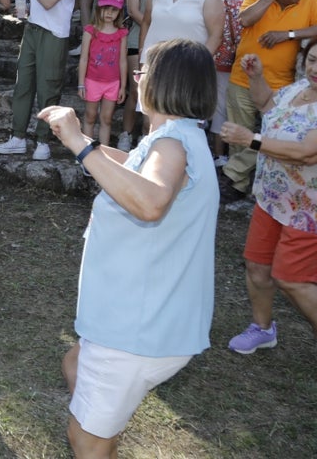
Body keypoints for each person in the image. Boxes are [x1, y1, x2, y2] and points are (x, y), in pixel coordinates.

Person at [40, 39, 217, 459]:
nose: (135, 80)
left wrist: (79, 146)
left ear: (159, 82)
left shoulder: (171, 144)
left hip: (135, 328)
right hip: (144, 318)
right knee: (75, 366)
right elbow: (135, 167)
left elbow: (151, 201)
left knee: (86, 441)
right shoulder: (180, 137)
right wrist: (85, 139)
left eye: (141, 73)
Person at [220, 45, 317, 353]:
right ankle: (262, 328)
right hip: (272, 198)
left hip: (307, 208)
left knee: (292, 279)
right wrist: (257, 78)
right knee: (257, 265)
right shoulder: (300, 88)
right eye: (313, 61)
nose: (315, 69)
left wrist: (251, 140)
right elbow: (268, 106)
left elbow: (306, 153)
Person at [222, 0, 317, 200]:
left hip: (281, 86)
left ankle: (233, 173)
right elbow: (245, 20)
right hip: (242, 79)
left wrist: (289, 34)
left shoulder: (310, 1)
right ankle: (238, 185)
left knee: (277, 136)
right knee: (239, 137)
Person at [0, 0, 78, 160]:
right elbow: (40, 0)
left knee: (48, 88)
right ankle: (17, 137)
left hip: (53, 35)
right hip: (32, 30)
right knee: (23, 84)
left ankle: (43, 141)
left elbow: (50, 2)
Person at [118, 0, 175, 152]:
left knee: (154, 94)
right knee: (135, 91)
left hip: (162, 47)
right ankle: (126, 134)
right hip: (136, 42)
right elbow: (132, 10)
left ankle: (146, 137)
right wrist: (153, 28)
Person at [209, 0, 261, 159]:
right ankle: (220, 155)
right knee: (220, 104)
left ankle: (238, 155)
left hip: (245, 55)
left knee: (240, 106)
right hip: (218, 52)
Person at [77, 0, 128, 148]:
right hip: (92, 81)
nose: (109, 13)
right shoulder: (90, 31)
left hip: (112, 83)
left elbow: (123, 61)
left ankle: (104, 153)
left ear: (119, 12)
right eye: (105, 8)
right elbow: (84, 58)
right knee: (90, 116)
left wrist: (123, 86)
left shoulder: (121, 34)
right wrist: (81, 83)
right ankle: (86, 152)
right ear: (99, 9)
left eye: (114, 9)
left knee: (106, 119)